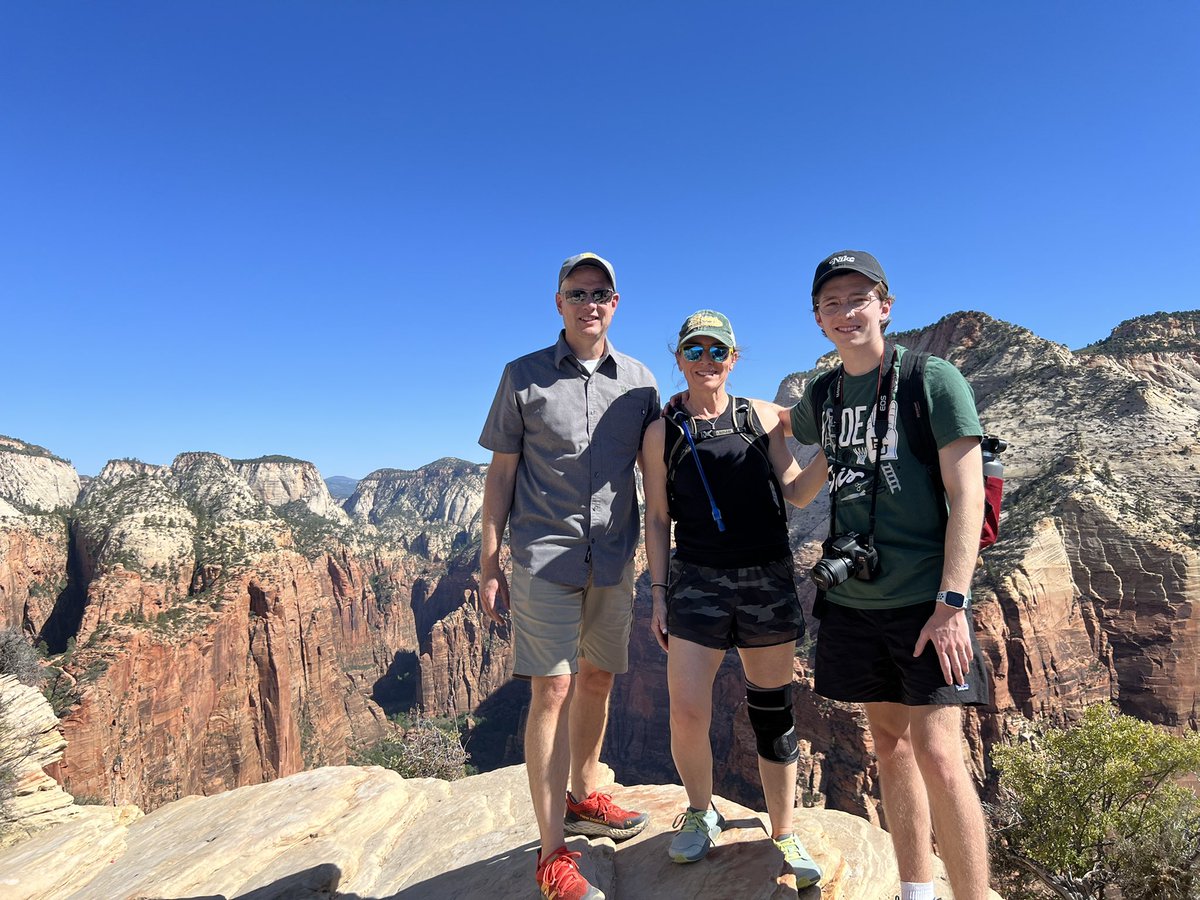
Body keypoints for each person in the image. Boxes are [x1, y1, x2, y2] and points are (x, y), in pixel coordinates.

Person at [787, 250, 991, 900]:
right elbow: (799, 480)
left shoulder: (932, 381)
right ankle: (915, 891)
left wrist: (952, 603)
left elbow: (970, 497)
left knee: (939, 756)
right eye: (831, 303)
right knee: (890, 744)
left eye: (857, 298)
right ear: (818, 320)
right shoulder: (822, 395)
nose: (846, 312)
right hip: (854, 601)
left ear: (885, 305)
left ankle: (971, 895)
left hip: (927, 604)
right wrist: (742, 420)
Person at [478, 252, 659, 900]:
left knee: (600, 679)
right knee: (552, 691)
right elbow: (500, 476)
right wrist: (488, 561)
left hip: (613, 560)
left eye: (601, 292)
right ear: (559, 303)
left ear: (616, 303)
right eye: (577, 291)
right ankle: (553, 853)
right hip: (541, 559)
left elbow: (658, 479)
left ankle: (586, 794)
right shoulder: (521, 377)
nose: (589, 301)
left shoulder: (639, 383)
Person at [642, 309, 827, 889]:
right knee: (687, 710)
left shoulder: (764, 418)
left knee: (771, 708)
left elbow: (797, 494)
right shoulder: (662, 430)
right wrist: (658, 593)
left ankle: (783, 830)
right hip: (696, 579)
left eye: (715, 351)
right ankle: (702, 811)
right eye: (693, 351)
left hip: (767, 579)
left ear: (733, 358)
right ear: (679, 359)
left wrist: (831, 456)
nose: (705, 361)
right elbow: (657, 518)